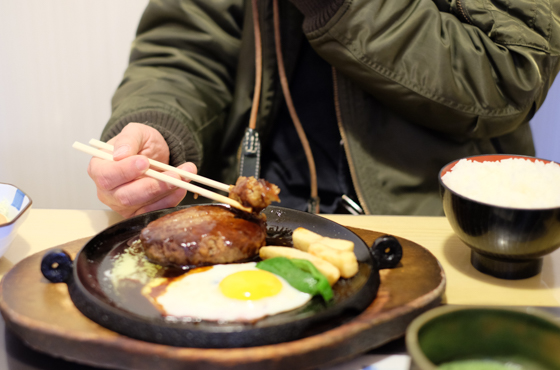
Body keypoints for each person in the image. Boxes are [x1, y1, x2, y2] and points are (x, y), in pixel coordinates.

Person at [88, 0, 560, 218]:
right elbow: (186, 47)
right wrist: (160, 129)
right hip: (255, 213)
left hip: (432, 224)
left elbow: (511, 74)